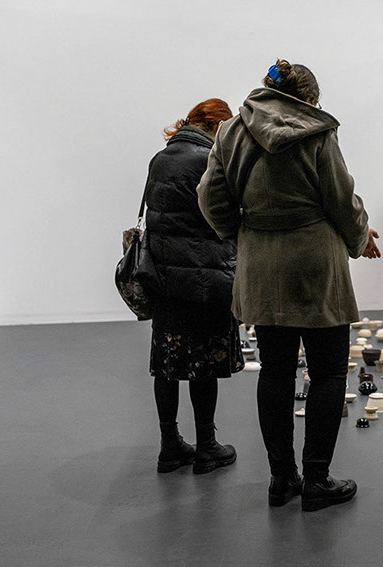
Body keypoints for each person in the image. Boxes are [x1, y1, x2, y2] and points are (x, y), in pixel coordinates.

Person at [197, 59, 381, 510]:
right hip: (316, 265)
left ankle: (281, 480)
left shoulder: (231, 131)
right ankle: (317, 481)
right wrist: (360, 238)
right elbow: (341, 200)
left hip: (262, 268)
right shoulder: (317, 131)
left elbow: (210, 197)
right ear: (309, 99)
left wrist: (244, 233)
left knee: (276, 372)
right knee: (328, 372)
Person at [143, 98, 242, 474]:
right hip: (204, 277)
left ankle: (169, 446)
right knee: (204, 364)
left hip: (164, 278)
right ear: (216, 127)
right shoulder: (208, 160)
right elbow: (225, 215)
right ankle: (207, 446)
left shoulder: (160, 158)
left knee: (167, 365)